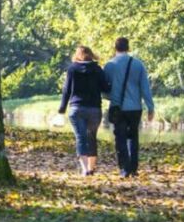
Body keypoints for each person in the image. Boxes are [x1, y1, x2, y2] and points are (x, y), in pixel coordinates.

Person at [102, 36, 155, 177]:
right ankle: (133, 168)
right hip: (135, 108)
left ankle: (124, 168)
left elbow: (104, 88)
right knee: (133, 137)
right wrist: (150, 107)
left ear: (115, 48)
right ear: (128, 47)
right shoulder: (138, 64)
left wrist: (110, 97)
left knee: (120, 138)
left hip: (117, 108)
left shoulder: (109, 65)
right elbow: (145, 88)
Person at [58, 45, 108, 175]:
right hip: (94, 109)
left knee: (81, 137)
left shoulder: (72, 69)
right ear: (91, 55)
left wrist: (62, 109)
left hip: (77, 108)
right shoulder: (97, 69)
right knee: (91, 137)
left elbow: (66, 90)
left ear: (77, 55)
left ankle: (85, 169)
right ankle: (91, 168)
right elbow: (105, 88)